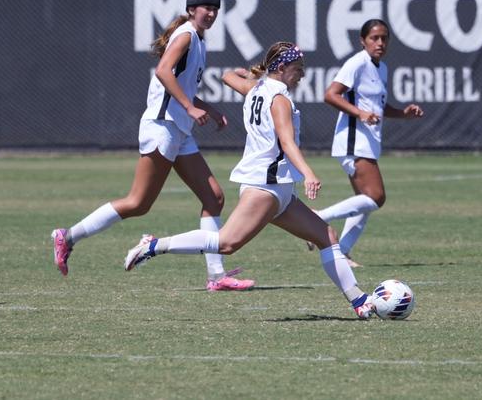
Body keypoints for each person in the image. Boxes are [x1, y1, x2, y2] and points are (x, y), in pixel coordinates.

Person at [124, 42, 377, 319]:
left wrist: (251, 75)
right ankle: (154, 245)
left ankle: (359, 301)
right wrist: (308, 173)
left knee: (326, 236)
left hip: (278, 189)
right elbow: (286, 141)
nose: (301, 75)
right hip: (265, 186)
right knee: (227, 243)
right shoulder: (278, 97)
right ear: (282, 68)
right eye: (297, 69)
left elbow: (227, 76)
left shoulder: (256, 88)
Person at [51, 0, 254, 291]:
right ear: (191, 10)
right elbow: (162, 72)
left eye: (215, 9)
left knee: (214, 197)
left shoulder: (198, 39)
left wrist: (209, 109)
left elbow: (183, 86)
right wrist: (190, 108)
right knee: (138, 202)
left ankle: (216, 276)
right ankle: (66, 237)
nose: (211, 14)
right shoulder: (186, 35)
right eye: (206, 8)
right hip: (163, 126)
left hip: (178, 129)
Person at [313, 19, 424, 267]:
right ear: (363, 41)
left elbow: (378, 106)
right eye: (374, 38)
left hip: (369, 142)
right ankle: (318, 218)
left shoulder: (381, 68)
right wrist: (359, 113)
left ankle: (341, 252)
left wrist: (403, 113)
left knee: (365, 201)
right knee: (376, 197)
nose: (380, 43)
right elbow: (330, 94)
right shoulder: (357, 63)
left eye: (384, 38)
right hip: (353, 140)